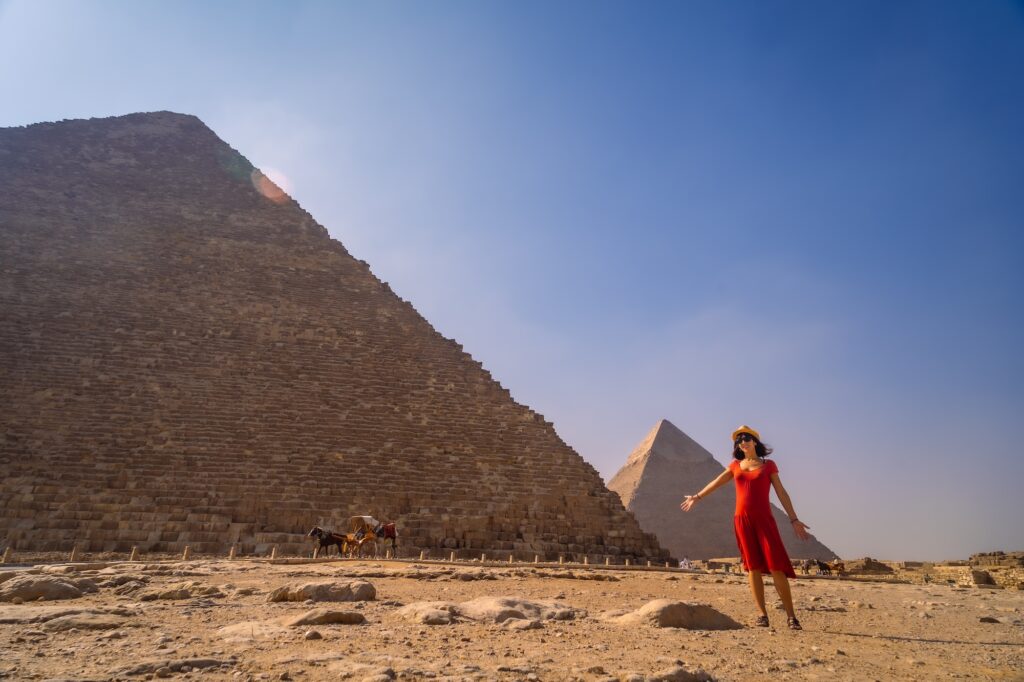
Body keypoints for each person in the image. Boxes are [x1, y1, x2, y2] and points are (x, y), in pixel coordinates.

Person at [679, 425, 811, 629]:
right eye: (739, 440)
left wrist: (794, 519)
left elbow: (782, 493)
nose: (742, 442)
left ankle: (791, 616)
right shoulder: (735, 465)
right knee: (753, 568)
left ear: (755, 442)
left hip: (765, 521)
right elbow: (716, 482)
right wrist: (697, 497)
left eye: (746, 438)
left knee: (776, 566)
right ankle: (762, 615)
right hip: (742, 521)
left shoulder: (769, 466)